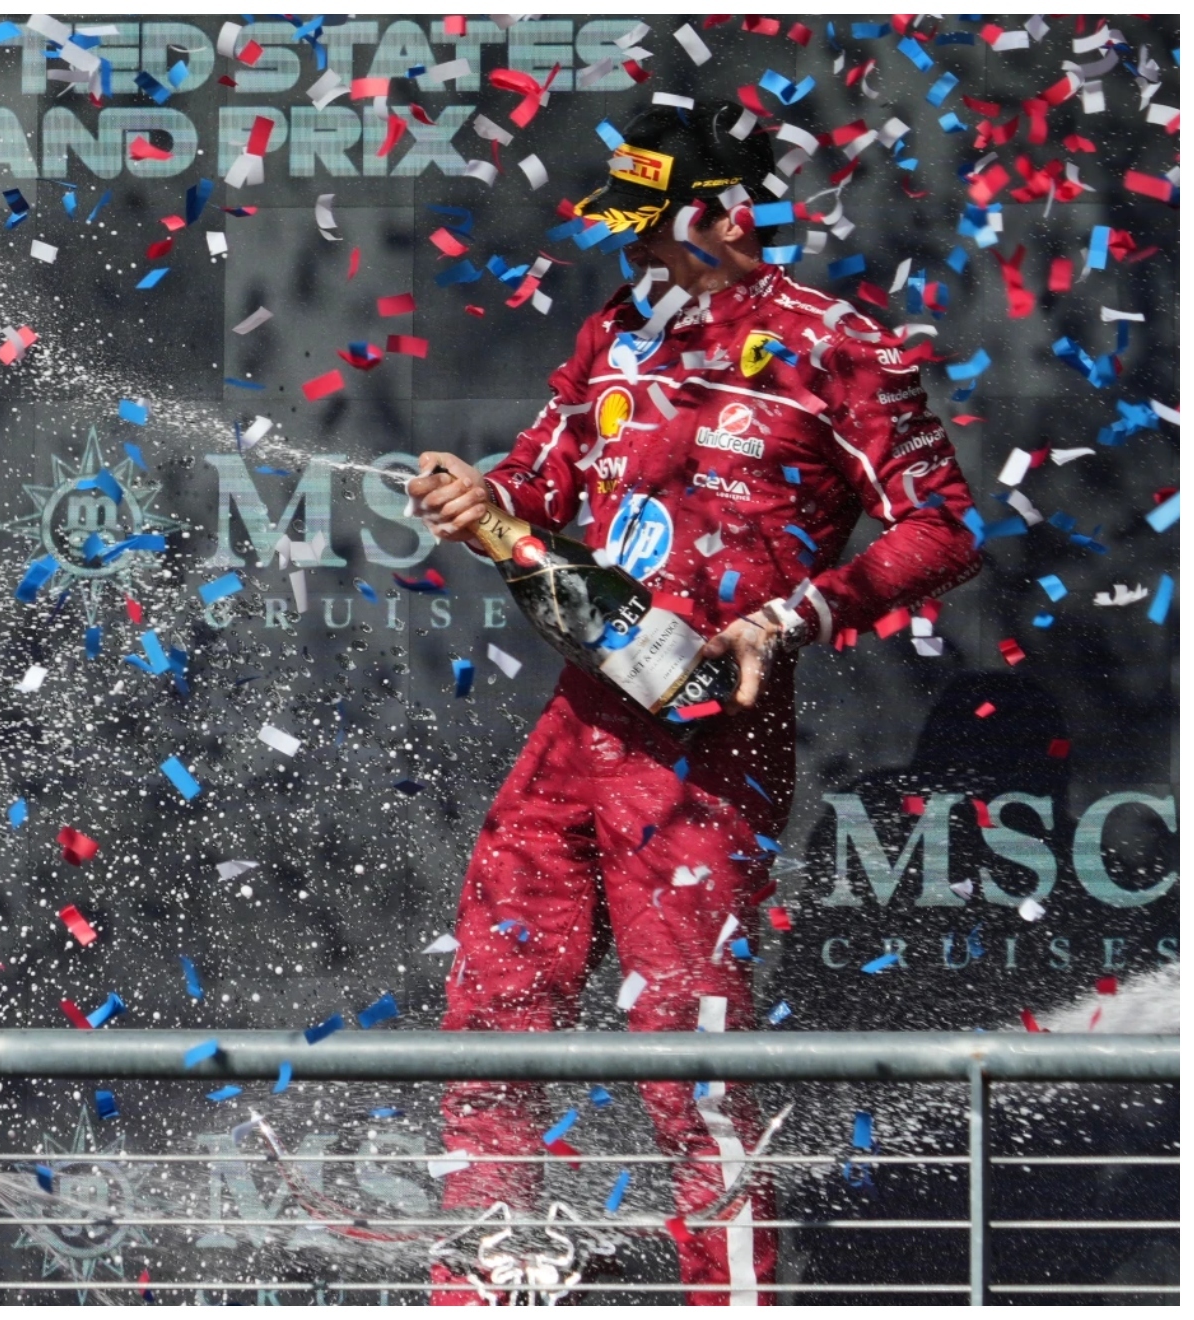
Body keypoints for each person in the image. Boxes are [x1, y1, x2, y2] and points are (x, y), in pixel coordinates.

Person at [407, 102, 982, 1305]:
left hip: (712, 735)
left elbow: (946, 528)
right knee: (495, 1000)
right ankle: (486, 1276)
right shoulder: (616, 329)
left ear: (726, 218)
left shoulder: (840, 348)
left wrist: (788, 618)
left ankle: (731, 1299)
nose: (631, 254)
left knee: (687, 1051)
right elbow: (545, 479)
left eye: (652, 228)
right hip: (586, 708)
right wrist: (482, 494)